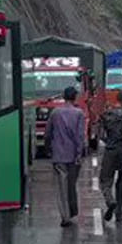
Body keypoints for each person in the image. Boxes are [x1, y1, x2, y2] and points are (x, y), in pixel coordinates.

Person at [43, 86, 86, 227]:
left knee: (62, 186)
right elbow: (80, 136)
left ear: (63, 97)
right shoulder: (79, 113)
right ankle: (73, 211)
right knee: (72, 185)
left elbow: (48, 133)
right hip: (74, 155)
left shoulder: (55, 113)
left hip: (59, 155)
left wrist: (48, 148)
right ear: (75, 97)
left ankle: (65, 216)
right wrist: (79, 153)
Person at [98, 90, 122, 222]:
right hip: (121, 150)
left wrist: (109, 142)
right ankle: (119, 213)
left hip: (110, 151)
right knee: (121, 182)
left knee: (105, 180)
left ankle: (110, 200)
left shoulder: (107, 115)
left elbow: (101, 135)